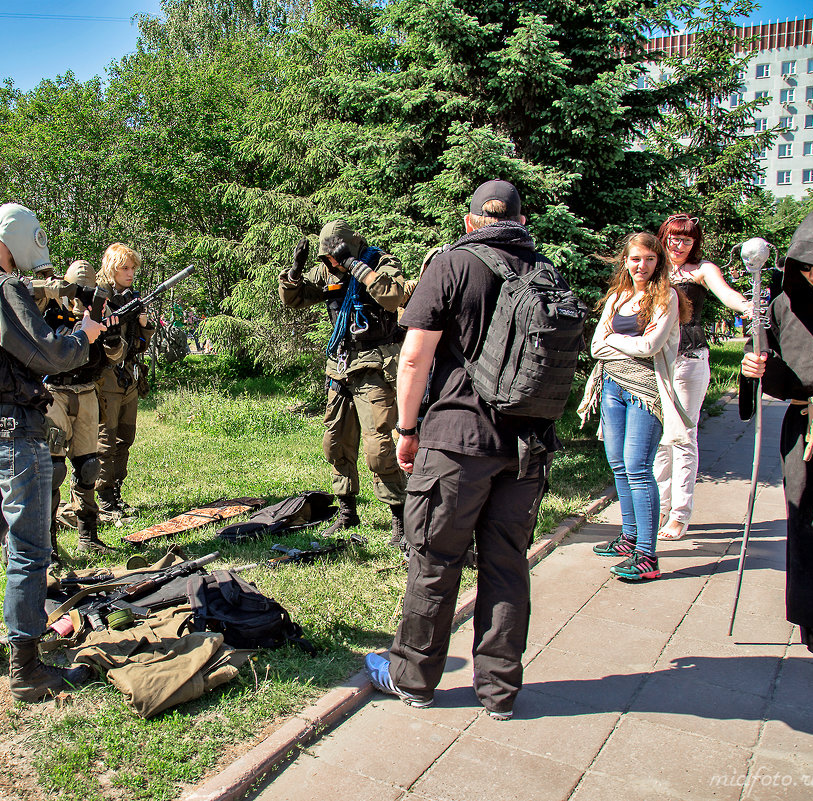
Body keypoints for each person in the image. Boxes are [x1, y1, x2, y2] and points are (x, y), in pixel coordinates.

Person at [363, 180, 557, 719]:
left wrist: (405, 430)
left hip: (457, 441)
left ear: (472, 221)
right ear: (521, 221)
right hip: (527, 447)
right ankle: (499, 692)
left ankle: (414, 678)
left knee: (435, 559)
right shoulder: (544, 270)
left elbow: (414, 358)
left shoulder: (451, 264)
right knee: (506, 565)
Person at [0, 202, 106, 701]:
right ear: (14, 240)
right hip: (18, 434)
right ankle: (26, 667)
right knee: (29, 552)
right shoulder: (3, 288)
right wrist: (86, 332)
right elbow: (51, 355)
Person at [740, 207, 813, 667]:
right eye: (806, 267)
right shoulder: (782, 306)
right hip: (802, 428)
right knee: (805, 525)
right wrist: (758, 368)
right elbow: (776, 375)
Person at [279, 220, 408, 542]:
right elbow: (295, 299)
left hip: (374, 366)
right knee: (335, 443)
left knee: (378, 447)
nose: (331, 265)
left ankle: (401, 522)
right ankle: (348, 514)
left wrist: (354, 265)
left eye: (335, 257)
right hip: (340, 365)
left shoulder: (380, 262)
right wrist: (294, 274)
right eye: (327, 259)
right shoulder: (327, 271)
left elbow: (393, 297)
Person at [580, 233, 693, 581]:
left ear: (658, 261)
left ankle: (647, 556)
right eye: (634, 259)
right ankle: (629, 539)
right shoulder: (618, 296)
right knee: (618, 464)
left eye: (648, 259)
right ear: (625, 262)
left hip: (646, 391)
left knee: (638, 466)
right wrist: (622, 342)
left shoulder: (667, 297)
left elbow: (651, 346)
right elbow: (596, 347)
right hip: (611, 386)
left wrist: (615, 339)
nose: (640, 266)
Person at [654, 214, 752, 540]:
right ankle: (659, 508)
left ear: (695, 243)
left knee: (682, 437)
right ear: (663, 236)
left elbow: (726, 294)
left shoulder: (701, 271)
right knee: (657, 439)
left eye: (687, 239)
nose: (679, 245)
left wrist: (749, 307)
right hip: (652, 363)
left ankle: (679, 514)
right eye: (674, 238)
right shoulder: (652, 267)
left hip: (688, 360)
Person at [45, 259, 123, 559]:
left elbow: (116, 356)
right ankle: (48, 542)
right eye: (78, 291)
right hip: (54, 392)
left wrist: (112, 337)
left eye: (87, 292)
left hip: (88, 390)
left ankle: (88, 533)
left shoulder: (103, 311)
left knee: (88, 465)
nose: (82, 298)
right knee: (53, 470)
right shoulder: (51, 313)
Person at [94, 243, 153, 517]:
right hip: (106, 378)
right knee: (105, 441)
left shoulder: (132, 298)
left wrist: (143, 325)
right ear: (111, 269)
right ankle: (103, 498)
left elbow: (139, 346)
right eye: (124, 268)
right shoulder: (99, 298)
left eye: (132, 269)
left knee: (124, 439)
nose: (130, 273)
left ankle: (116, 492)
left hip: (128, 377)